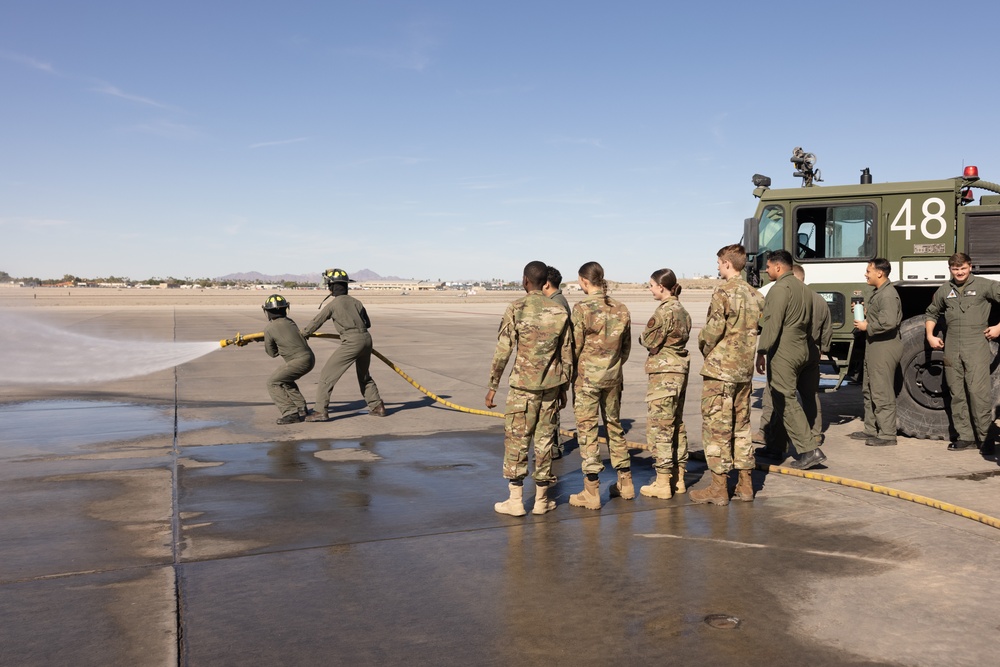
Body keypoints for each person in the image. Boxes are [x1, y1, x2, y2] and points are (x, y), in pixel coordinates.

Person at [486, 261, 573, 516]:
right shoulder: (559, 311)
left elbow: (503, 350)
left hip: (522, 388)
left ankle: (515, 501)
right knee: (545, 441)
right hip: (550, 388)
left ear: (525, 281)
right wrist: (564, 386)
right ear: (545, 281)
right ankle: (541, 500)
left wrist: (492, 386)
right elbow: (567, 353)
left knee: (517, 440)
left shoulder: (516, 308)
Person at [689, 245, 764, 505]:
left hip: (721, 371)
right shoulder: (755, 294)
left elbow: (712, 332)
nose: (718, 267)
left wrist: (704, 346)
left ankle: (719, 488)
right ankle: (745, 485)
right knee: (741, 427)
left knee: (717, 428)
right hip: (744, 371)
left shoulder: (723, 292)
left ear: (727, 263)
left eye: (719, 263)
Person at [754, 250, 827, 470]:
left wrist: (762, 351)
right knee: (779, 397)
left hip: (784, 350)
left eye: (768, 267)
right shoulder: (804, 289)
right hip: (802, 347)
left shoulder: (779, 289)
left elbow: (772, 324)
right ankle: (775, 446)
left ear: (778, 267)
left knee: (784, 397)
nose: (766, 270)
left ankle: (809, 450)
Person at [568, 261, 632, 510]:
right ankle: (625, 483)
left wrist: (574, 371)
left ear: (584, 281)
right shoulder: (621, 308)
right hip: (613, 377)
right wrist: (612, 365)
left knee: (587, 430)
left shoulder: (582, 308)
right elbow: (625, 348)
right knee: (614, 426)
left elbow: (574, 345)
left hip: (587, 379)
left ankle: (591, 490)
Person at [925, 252, 1000, 451]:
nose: (959, 272)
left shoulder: (985, 285)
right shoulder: (944, 290)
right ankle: (965, 437)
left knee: (978, 393)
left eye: (963, 268)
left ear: (970, 266)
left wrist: (999, 327)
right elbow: (931, 312)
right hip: (952, 347)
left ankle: (985, 438)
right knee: (956, 393)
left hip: (975, 345)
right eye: (955, 269)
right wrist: (930, 335)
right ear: (950, 269)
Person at [302, 268, 386, 421]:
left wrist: (304, 334)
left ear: (332, 287)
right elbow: (367, 323)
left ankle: (320, 411)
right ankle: (377, 406)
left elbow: (316, 322)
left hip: (351, 342)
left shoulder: (333, 305)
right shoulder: (357, 302)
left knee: (327, 375)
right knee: (364, 375)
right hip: (366, 340)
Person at [638, 268, 691, 500]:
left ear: (661, 286)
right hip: (679, 371)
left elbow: (647, 339)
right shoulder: (683, 311)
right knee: (676, 424)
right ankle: (678, 478)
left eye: (651, 285)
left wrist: (653, 345)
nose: (650, 289)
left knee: (660, 426)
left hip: (664, 374)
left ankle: (662, 482)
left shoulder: (664, 312)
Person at [850, 258, 903, 446]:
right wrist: (865, 313)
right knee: (869, 389)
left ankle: (887, 435)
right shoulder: (879, 293)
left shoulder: (887, 294)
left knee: (881, 391)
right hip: (875, 346)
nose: (866, 274)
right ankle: (871, 429)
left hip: (884, 347)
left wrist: (867, 325)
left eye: (868, 271)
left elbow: (889, 322)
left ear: (879, 273)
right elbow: (882, 316)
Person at [261, 294, 316, 425]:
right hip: (309, 358)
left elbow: (272, 353)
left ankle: (290, 413)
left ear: (267, 312)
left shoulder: (269, 328)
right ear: (285, 309)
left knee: (273, 382)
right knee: (286, 380)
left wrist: (267, 340)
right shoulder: (291, 322)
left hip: (298, 361)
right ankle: (300, 408)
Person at [542, 265, 571, 459]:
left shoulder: (556, 303)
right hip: (557, 364)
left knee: (549, 410)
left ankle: (552, 448)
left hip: (555, 365)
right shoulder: (557, 300)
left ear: (546, 283)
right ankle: (553, 447)